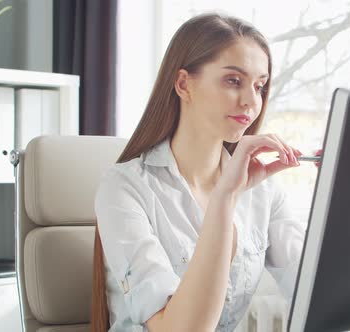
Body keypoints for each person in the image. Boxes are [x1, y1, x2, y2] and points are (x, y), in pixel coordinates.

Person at [92, 13, 312, 332]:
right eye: (233, 81)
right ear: (184, 84)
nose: (252, 101)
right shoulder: (124, 188)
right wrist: (225, 196)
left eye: (260, 86)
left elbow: (313, 287)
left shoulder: (266, 193)